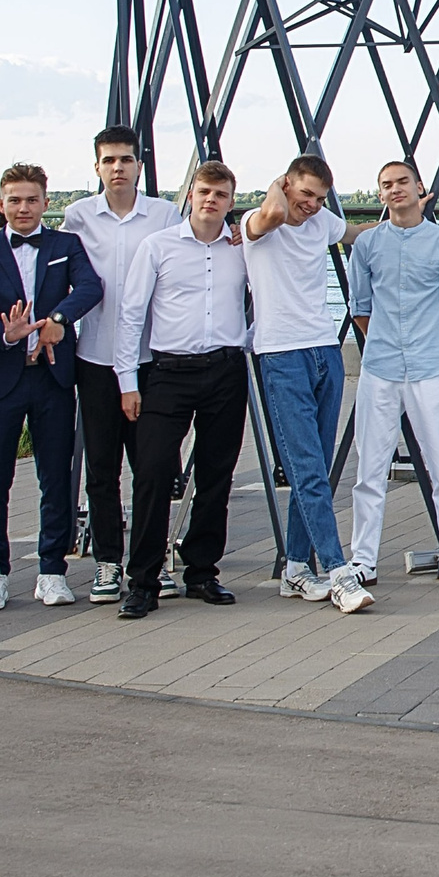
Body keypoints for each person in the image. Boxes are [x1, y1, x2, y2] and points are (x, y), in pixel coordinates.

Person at [112, 160, 252, 619]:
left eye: (221, 194)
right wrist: (127, 382)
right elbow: (132, 315)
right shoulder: (158, 246)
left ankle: (202, 571)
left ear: (232, 202)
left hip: (226, 371)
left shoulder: (241, 248)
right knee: (152, 473)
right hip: (168, 372)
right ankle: (144, 580)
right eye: (204, 191)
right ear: (190, 194)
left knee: (217, 474)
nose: (211, 200)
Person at [0, 163, 103, 611]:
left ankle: (52, 571)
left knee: (56, 478)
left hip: (53, 377)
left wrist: (57, 320)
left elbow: (90, 287)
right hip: (1, 378)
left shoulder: (66, 244)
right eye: (14, 200)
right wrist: (7, 333)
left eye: (31, 200)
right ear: (1, 204)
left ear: (46, 203)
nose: (23, 208)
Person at [242, 156, 376, 612]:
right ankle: (339, 571)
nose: (313, 207)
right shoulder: (257, 222)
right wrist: (278, 190)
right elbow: (274, 214)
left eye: (320, 199)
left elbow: (355, 235)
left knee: (315, 465)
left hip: (324, 351)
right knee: (306, 467)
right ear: (285, 185)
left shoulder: (321, 222)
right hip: (281, 354)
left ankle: (297, 567)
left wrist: (404, 208)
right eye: (306, 196)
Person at [345, 160, 439, 595]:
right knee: (370, 468)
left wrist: (431, 335)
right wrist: (387, 339)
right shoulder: (367, 245)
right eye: (385, 184)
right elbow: (360, 305)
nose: (394, 189)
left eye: (401, 181)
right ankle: (363, 561)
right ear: (379, 194)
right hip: (381, 367)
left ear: (418, 186)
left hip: (432, 366)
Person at [59, 126, 181, 602]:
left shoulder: (166, 214)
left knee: (151, 468)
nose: (117, 168)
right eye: (109, 160)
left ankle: (153, 561)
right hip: (96, 358)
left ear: (138, 165)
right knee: (102, 469)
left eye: (126, 160)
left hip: (153, 359)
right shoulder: (78, 217)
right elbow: (52, 264)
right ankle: (108, 563)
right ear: (97, 167)